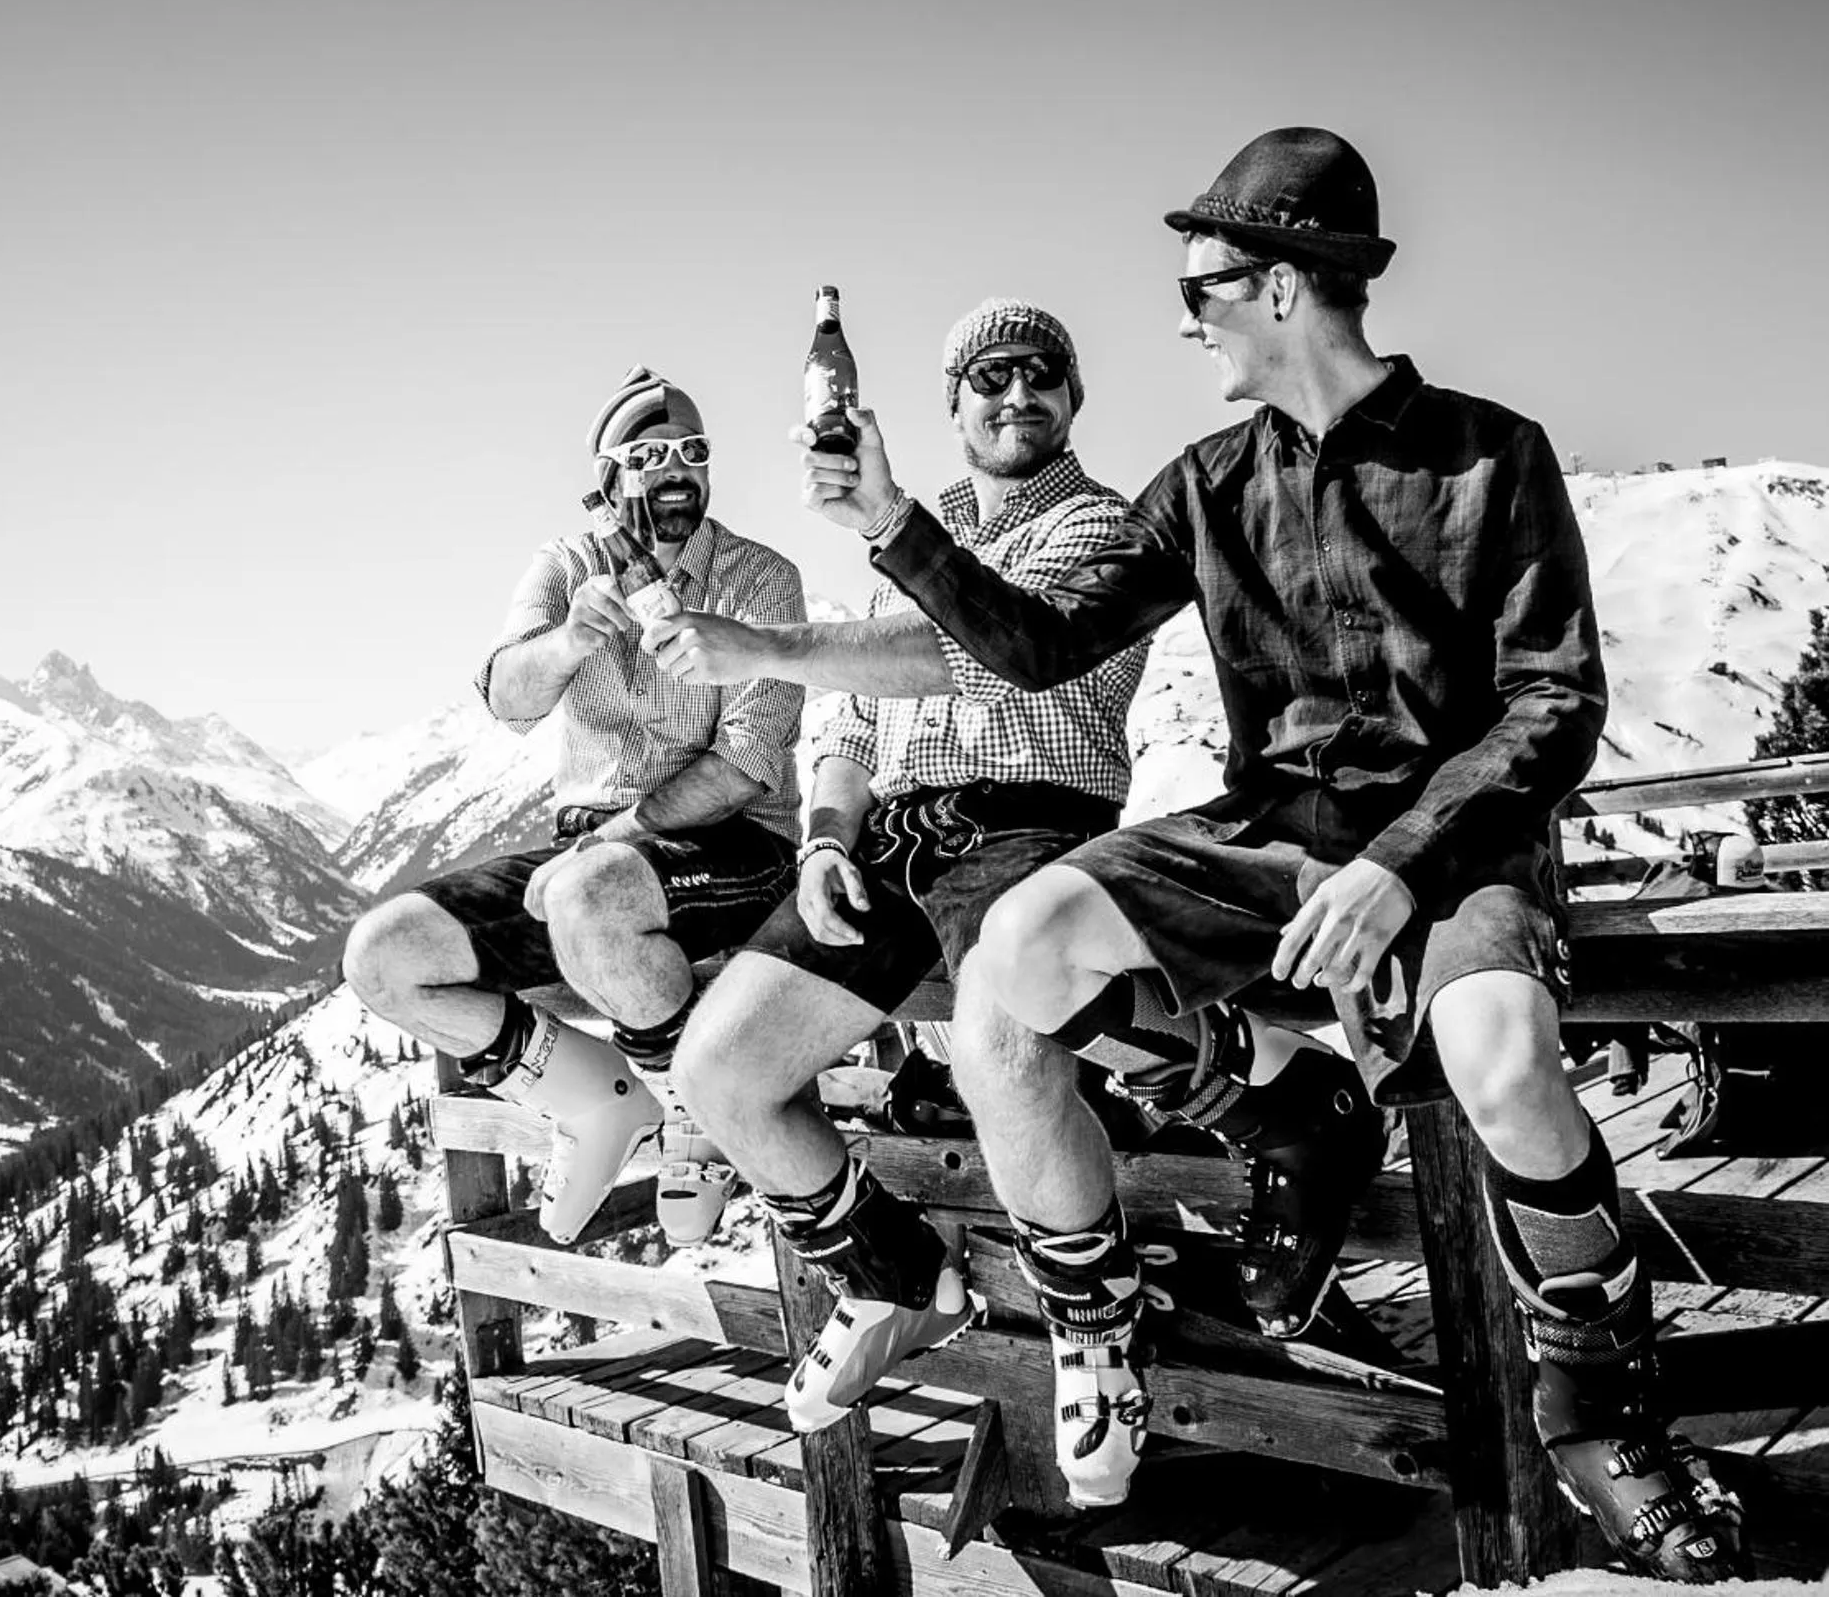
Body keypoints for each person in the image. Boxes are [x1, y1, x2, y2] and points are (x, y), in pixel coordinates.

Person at [814, 127, 1745, 1577]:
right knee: (1021, 946)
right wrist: (885, 517)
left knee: (1501, 1057)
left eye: (1203, 285)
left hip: (1456, 844)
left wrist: (1396, 870)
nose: (1182, 319)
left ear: (1283, 286)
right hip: (1266, 836)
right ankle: (1278, 1108)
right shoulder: (1202, 481)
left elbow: (1552, 703)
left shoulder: (1490, 455)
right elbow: (1041, 651)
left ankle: (1597, 1413)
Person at [645, 301, 1163, 1489]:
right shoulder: (916, 538)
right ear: (953, 403)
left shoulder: (1100, 526)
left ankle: (1093, 1318)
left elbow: (964, 654)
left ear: (1075, 394)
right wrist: (825, 837)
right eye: (988, 377)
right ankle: (891, 1271)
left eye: (1041, 373)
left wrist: (761, 645)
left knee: (999, 1044)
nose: (1015, 394)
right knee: (718, 1067)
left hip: (1035, 823)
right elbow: (851, 724)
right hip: (894, 838)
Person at [343, 366, 805, 1249]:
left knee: (586, 893)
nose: (676, 471)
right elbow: (507, 699)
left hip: (733, 846)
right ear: (607, 474)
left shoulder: (758, 580)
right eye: (649, 455)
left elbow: (746, 763)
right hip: (587, 857)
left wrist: (606, 844)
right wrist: (569, 638)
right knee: (382, 954)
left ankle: (693, 1115)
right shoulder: (565, 565)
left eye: (693, 452)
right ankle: (591, 1097)